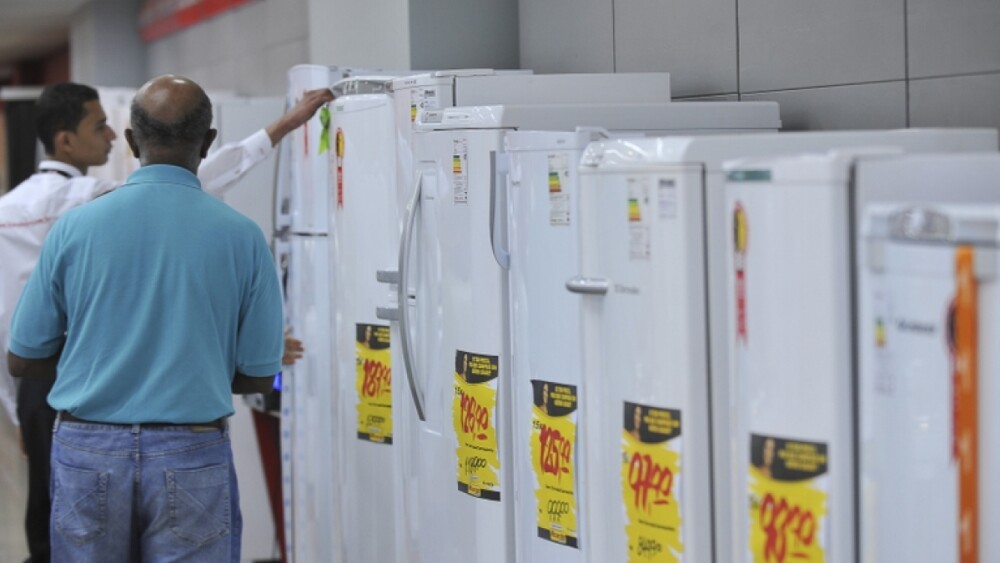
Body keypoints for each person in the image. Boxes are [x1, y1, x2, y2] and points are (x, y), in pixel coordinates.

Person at [0, 81, 330, 563]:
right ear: (209, 140)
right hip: (192, 448)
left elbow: (22, 358)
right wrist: (192, 367)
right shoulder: (242, 237)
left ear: (133, 142)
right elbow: (260, 373)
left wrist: (97, 366)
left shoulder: (75, 225)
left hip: (88, 447)